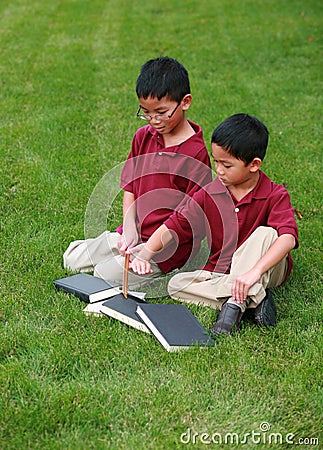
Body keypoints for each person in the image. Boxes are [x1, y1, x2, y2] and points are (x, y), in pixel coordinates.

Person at [130, 113, 299, 335]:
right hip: (222, 272)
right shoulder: (210, 192)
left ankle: (234, 308)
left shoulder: (275, 194)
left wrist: (254, 272)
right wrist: (147, 253)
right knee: (175, 285)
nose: (218, 169)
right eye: (216, 161)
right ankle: (252, 299)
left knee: (266, 233)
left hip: (267, 270)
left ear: (254, 165)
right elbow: (177, 224)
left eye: (226, 165)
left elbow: (287, 237)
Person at [63, 56, 212, 288]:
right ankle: (119, 251)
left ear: (185, 102)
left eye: (161, 113)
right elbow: (130, 186)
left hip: (165, 247)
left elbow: (187, 218)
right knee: (71, 259)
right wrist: (129, 228)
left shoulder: (195, 154)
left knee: (105, 277)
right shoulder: (143, 136)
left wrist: (149, 250)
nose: (154, 121)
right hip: (134, 234)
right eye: (146, 113)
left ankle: (145, 265)